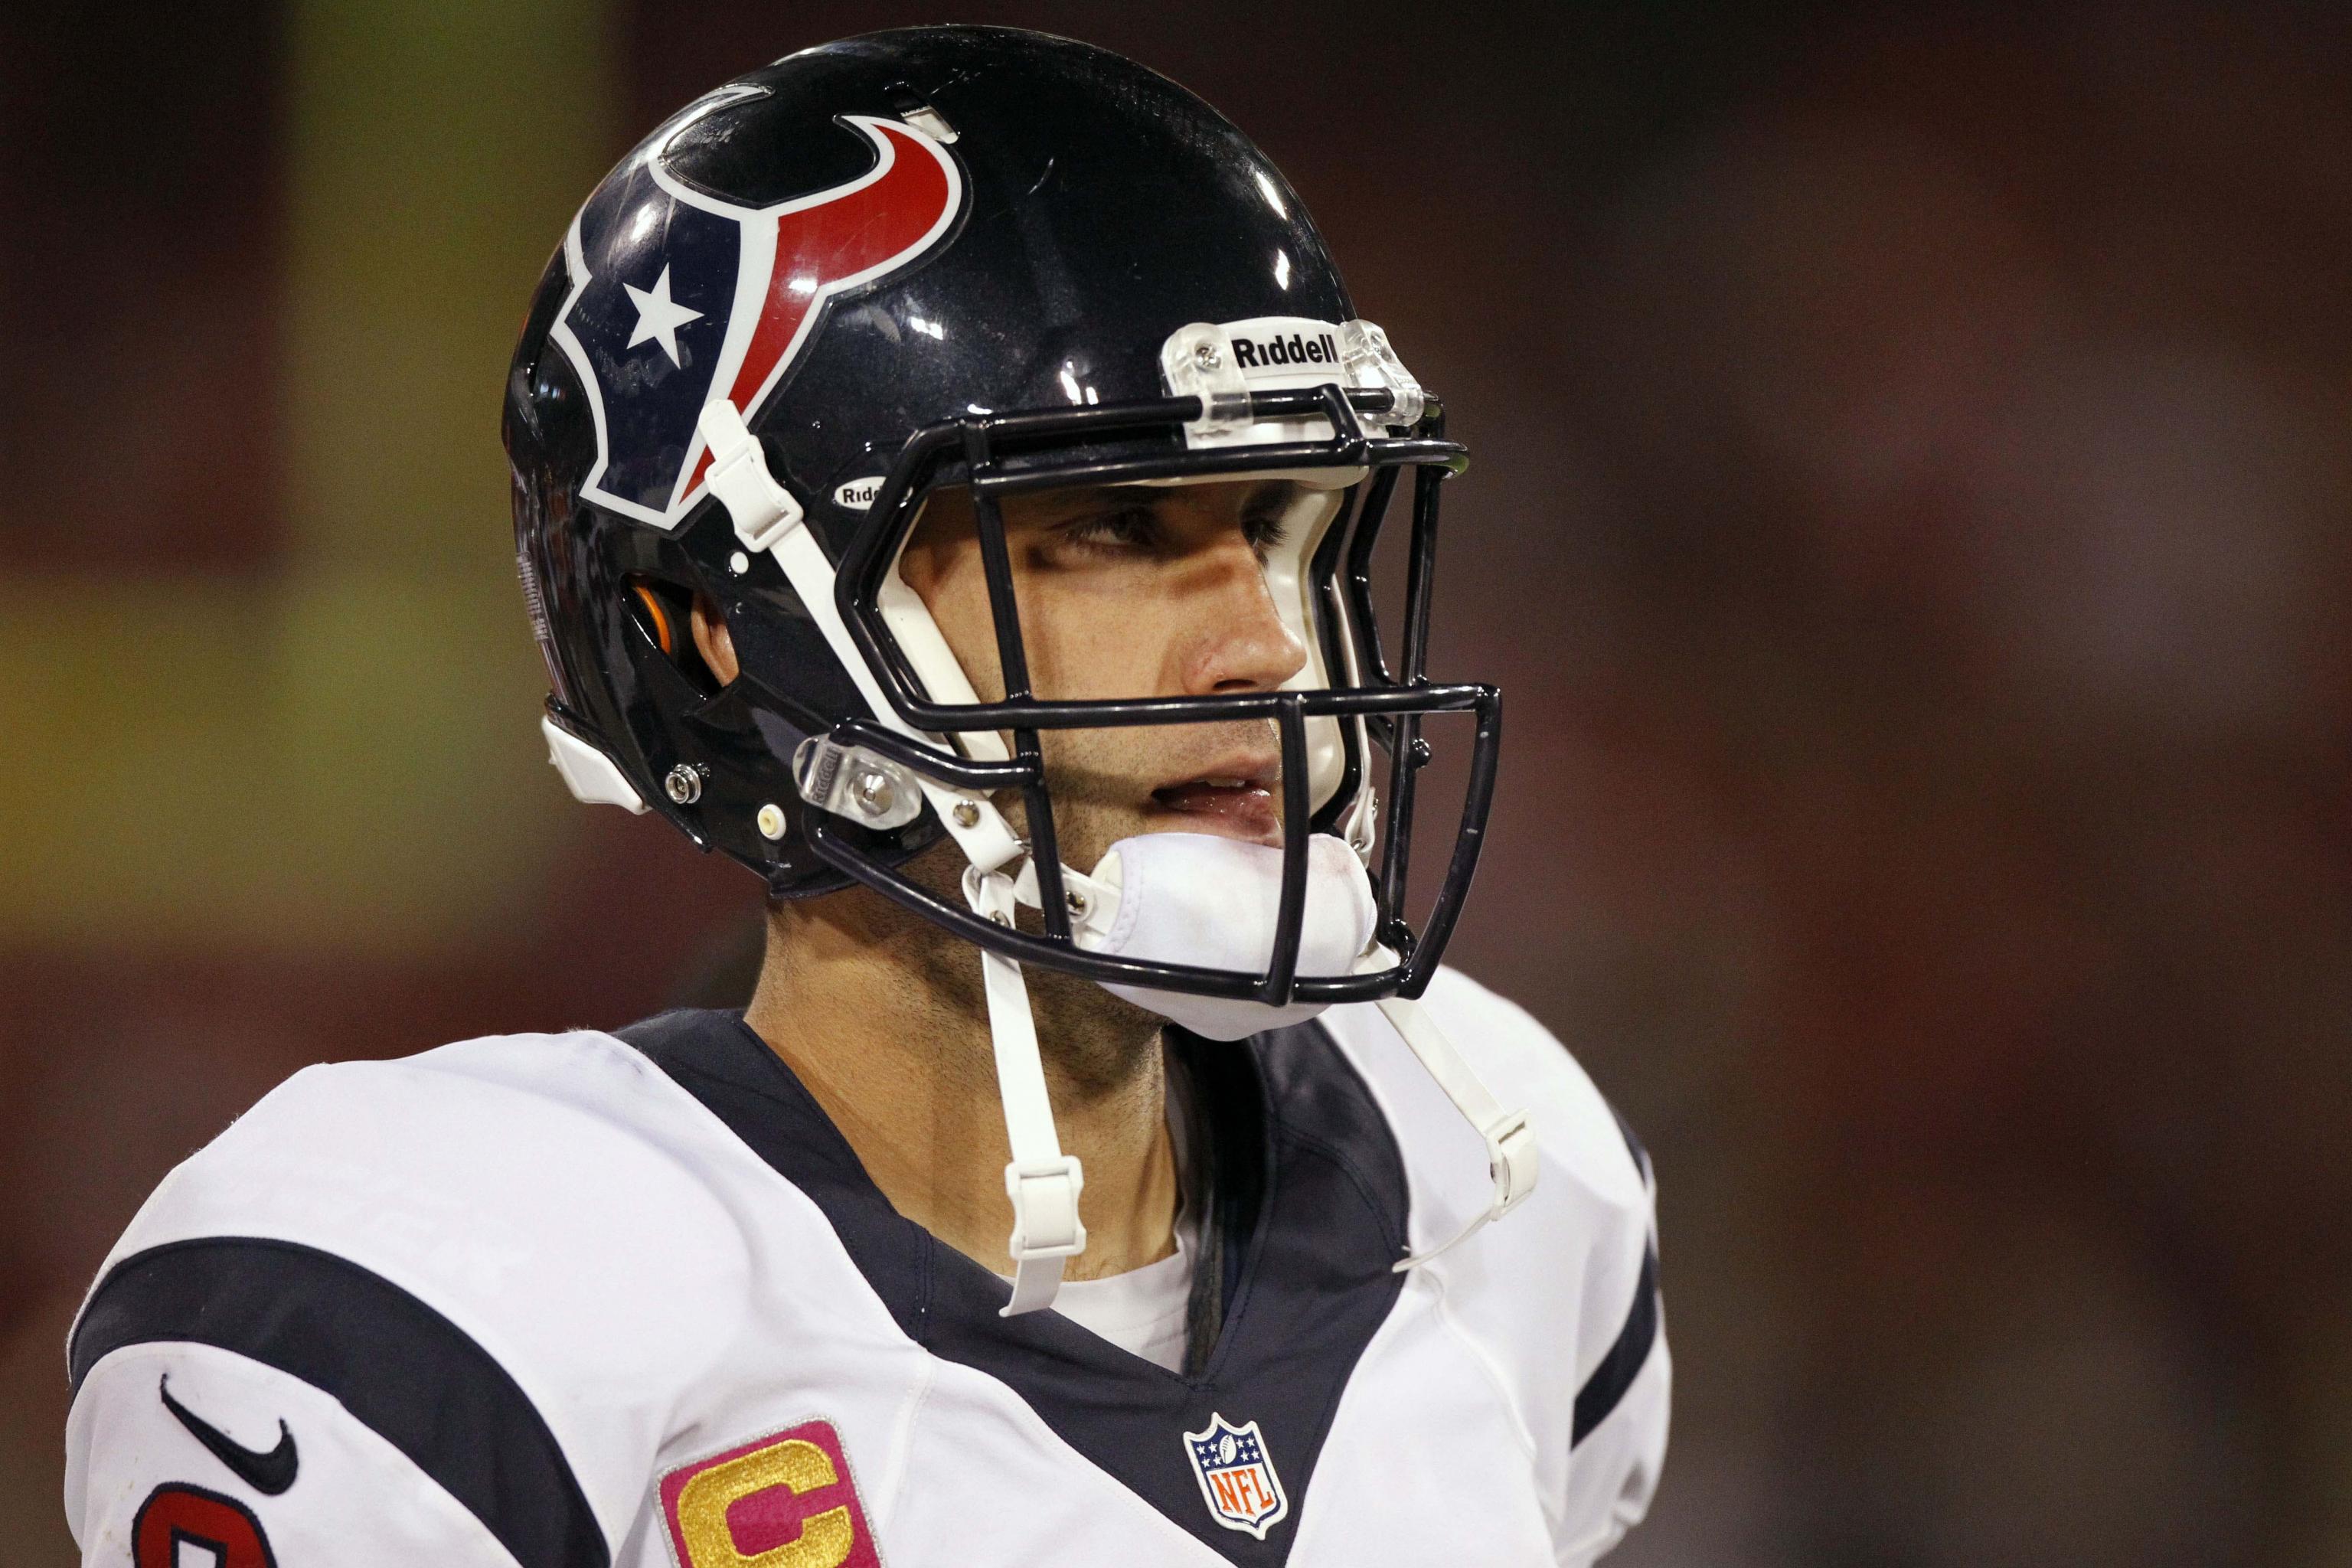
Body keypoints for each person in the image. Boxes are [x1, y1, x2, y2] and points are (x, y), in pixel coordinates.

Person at [62, 26, 1666, 1567]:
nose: (1263, 642)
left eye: (1271, 525)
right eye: (1107, 529)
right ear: (717, 628)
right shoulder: (437, 1309)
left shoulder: (1494, 1180)